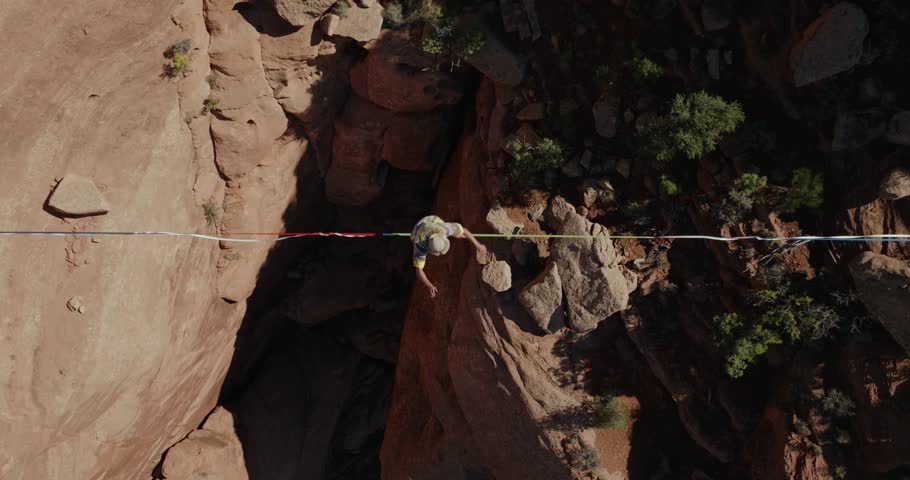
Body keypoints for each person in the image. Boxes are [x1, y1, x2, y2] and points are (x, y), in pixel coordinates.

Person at [411, 215, 486, 298]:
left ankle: (461, 235)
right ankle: (461, 235)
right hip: (417, 229)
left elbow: (464, 230)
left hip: (431, 221)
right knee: (456, 233)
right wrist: (430, 286)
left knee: (457, 233)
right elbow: (419, 270)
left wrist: (478, 245)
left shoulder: (443, 229)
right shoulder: (420, 246)